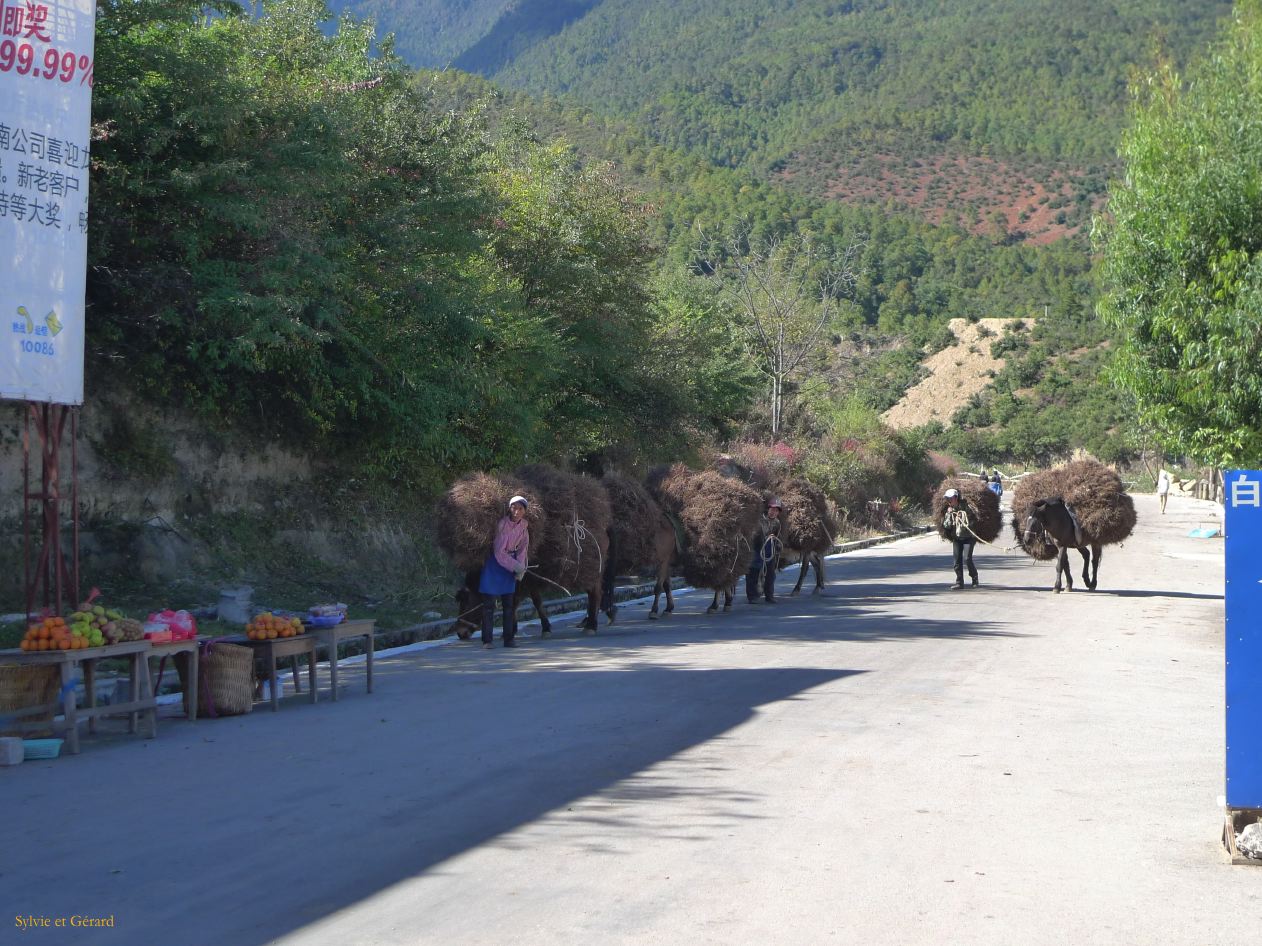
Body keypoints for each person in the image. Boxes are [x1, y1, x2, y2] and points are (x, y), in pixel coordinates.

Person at [478, 496, 530, 649]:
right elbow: (499, 552)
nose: (516, 511)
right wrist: (515, 566)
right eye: (514, 507)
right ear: (509, 508)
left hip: (511, 566)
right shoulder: (502, 525)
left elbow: (522, 549)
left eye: (520, 509)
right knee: (488, 605)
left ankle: (509, 639)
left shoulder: (524, 527)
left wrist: (521, 567)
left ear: (524, 511)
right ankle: (487, 640)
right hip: (495, 565)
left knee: (508, 604)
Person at [746, 497, 783, 604]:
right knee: (753, 572)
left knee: (771, 574)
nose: (773, 512)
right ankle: (752, 596)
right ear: (768, 509)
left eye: (776, 510)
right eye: (772, 509)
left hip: (769, 548)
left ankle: (769, 596)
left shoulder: (777, 523)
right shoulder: (758, 520)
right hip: (757, 548)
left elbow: (777, 536)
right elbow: (752, 535)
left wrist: (776, 543)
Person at [942, 488, 978, 589]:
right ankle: (959, 582)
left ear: (956, 498)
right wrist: (949, 515)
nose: (949, 500)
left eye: (950, 498)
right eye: (947, 498)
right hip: (957, 538)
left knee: (967, 558)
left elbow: (973, 520)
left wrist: (962, 518)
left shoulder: (966, 507)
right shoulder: (949, 511)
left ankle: (974, 578)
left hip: (968, 537)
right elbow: (946, 526)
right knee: (957, 561)